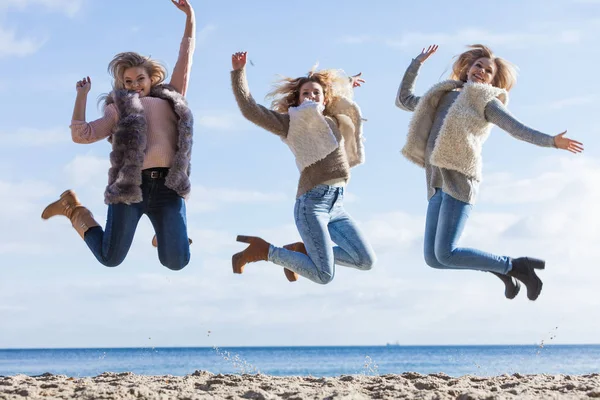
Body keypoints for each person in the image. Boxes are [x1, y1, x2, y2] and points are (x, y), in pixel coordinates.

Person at [396, 44, 584, 300]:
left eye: (488, 71)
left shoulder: (485, 100)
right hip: (435, 184)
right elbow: (404, 100)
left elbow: (516, 128)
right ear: (467, 68)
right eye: (478, 66)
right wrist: (416, 64)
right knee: (433, 259)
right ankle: (503, 269)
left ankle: (516, 266)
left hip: (460, 180)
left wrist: (551, 141)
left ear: (492, 80)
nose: (481, 72)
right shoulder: (441, 94)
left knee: (447, 253)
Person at [41, 0, 197, 271]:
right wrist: (82, 96)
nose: (135, 86)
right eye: (128, 82)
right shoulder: (118, 110)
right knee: (110, 258)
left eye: (140, 79)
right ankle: (73, 209)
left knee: (178, 262)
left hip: (168, 189)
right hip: (130, 189)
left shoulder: (172, 98)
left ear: (152, 79)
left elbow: (186, 57)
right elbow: (82, 135)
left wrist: (190, 17)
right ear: (122, 85)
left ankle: (164, 236)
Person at [229, 51, 376, 284]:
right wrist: (239, 73)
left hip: (336, 204)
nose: (310, 96)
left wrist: (347, 84)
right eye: (305, 93)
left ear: (324, 99)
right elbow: (250, 110)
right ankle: (265, 250)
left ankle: (301, 252)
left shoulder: (330, 119)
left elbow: (340, 102)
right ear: (297, 99)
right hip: (312, 204)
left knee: (365, 260)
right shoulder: (290, 123)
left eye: (315, 93)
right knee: (324, 275)